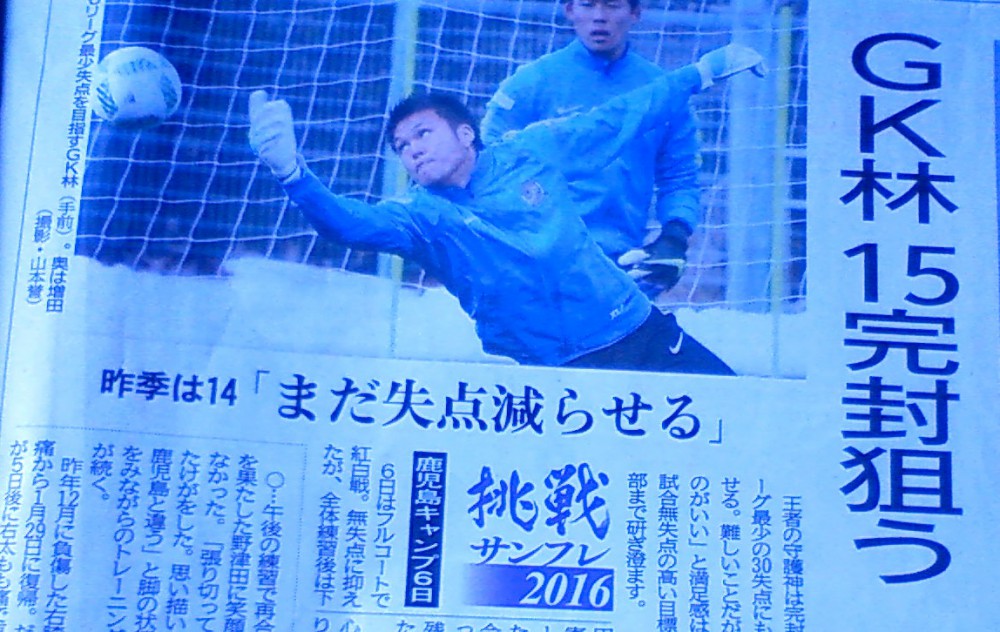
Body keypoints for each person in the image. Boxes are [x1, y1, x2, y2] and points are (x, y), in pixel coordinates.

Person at [248, 46, 763, 374]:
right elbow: (348, 224)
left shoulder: (530, 150)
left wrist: (702, 72)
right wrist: (292, 174)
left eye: (423, 133)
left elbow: (617, 118)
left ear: (465, 133)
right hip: (552, 373)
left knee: (737, 426)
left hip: (635, 330)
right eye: (402, 147)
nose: (413, 150)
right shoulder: (421, 217)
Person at [481, 0, 765, 295]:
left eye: (613, 5)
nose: (599, 17)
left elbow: (679, 177)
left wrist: (674, 236)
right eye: (587, 5)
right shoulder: (529, 84)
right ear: (569, 10)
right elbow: (487, 167)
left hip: (623, 265)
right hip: (538, 265)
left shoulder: (664, 92)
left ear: (635, 13)